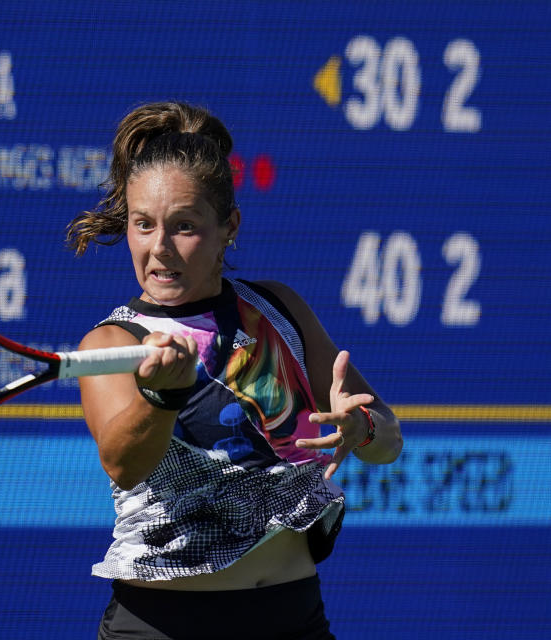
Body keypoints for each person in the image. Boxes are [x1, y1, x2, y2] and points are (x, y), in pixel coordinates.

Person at [67, 101, 402, 640]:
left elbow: (388, 441)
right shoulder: (112, 342)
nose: (159, 248)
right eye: (143, 225)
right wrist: (161, 398)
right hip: (162, 627)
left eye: (184, 226)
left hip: (293, 619)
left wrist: (362, 428)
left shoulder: (280, 308)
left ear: (228, 227)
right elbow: (124, 464)